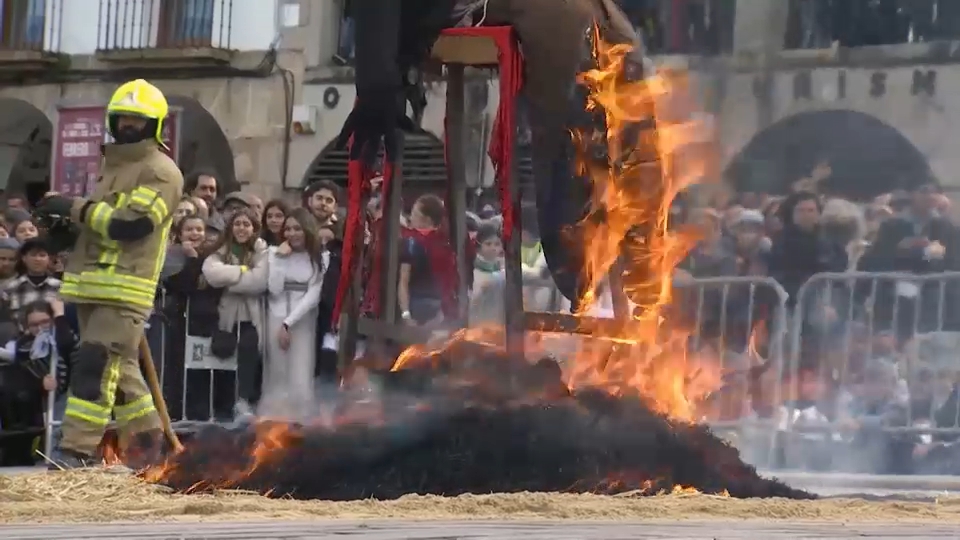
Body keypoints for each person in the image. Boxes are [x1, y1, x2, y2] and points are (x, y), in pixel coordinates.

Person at [34, 78, 183, 468]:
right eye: (123, 119)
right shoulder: (110, 167)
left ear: (155, 125)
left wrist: (75, 208)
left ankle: (76, 452)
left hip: (126, 291)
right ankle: (153, 454)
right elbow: (97, 226)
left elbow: (131, 225)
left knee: (95, 365)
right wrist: (60, 227)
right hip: (90, 287)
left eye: (138, 120)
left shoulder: (161, 171)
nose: (129, 126)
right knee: (126, 377)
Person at [201, 207, 268, 420]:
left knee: (249, 357)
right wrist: (241, 271)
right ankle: (222, 406)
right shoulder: (221, 250)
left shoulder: (261, 250)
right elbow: (212, 273)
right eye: (238, 223)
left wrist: (230, 282)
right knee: (222, 357)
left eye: (246, 224)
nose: (241, 228)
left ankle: (244, 402)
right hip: (226, 317)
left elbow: (259, 281)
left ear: (254, 228)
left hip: (251, 317)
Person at [261, 208, 325, 416]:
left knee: (301, 370)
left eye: (297, 228)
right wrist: (279, 259)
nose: (292, 233)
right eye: (288, 229)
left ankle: (301, 420)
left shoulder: (320, 257)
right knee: (277, 372)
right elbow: (275, 288)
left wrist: (288, 323)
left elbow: (314, 295)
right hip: (275, 314)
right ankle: (273, 420)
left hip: (303, 320)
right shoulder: (273, 253)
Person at [0, 299, 75, 466]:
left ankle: (61, 458)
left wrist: (59, 317)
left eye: (45, 322)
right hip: (38, 401)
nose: (40, 328)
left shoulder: (64, 334)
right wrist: (40, 383)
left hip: (70, 390)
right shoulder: (24, 345)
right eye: (34, 324)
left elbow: (68, 347)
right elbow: (22, 377)